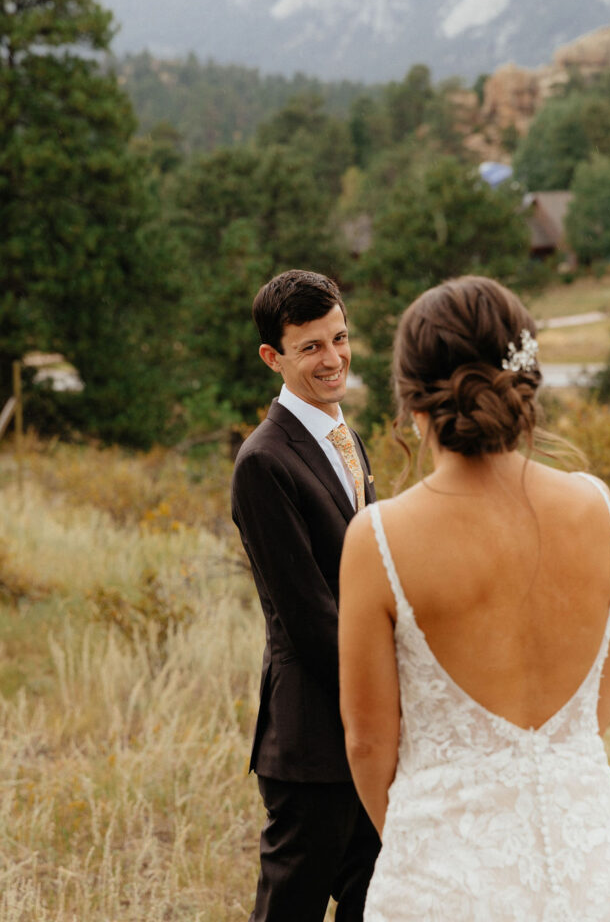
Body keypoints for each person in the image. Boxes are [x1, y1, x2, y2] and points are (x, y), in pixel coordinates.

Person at [339, 275, 610, 921]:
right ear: (522, 378)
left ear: (410, 399)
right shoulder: (596, 505)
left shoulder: (379, 539)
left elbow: (368, 744)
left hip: (445, 874)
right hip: (589, 861)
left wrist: (417, 840)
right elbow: (602, 703)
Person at [231, 269, 380, 922]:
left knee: (372, 902)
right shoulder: (264, 462)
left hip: (364, 735)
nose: (333, 358)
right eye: (311, 347)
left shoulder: (346, 438)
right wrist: (391, 694)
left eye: (339, 338)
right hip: (311, 742)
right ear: (273, 357)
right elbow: (309, 619)